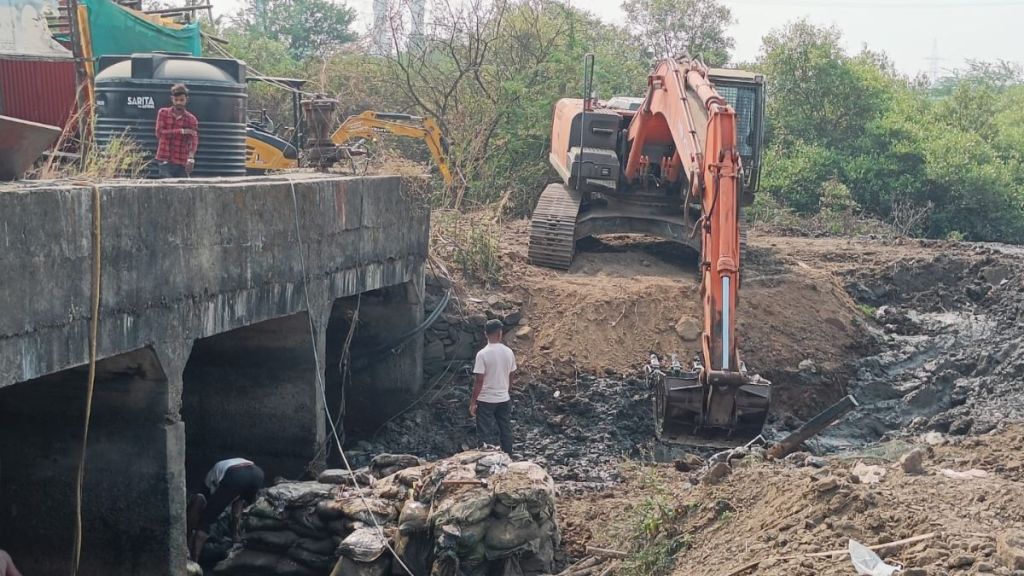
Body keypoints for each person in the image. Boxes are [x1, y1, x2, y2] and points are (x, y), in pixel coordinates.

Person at [188, 458, 263, 561]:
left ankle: (194, 559)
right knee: (245, 507)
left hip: (236, 474)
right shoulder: (216, 475)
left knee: (205, 522)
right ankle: (236, 539)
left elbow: (203, 509)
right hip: (257, 473)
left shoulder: (206, 487)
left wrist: (195, 528)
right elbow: (237, 507)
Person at [470, 319, 517, 455]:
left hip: (486, 399)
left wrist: (473, 401)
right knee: (505, 428)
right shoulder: (509, 352)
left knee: (485, 431)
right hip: (503, 398)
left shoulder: (482, 354)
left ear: (486, 334)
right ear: (500, 333)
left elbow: (479, 380)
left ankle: (486, 457)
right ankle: (508, 455)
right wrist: (507, 389)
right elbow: (512, 373)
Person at [154, 83, 199, 178]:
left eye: (181, 100)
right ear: (172, 99)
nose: (178, 102)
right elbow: (159, 133)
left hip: (181, 159)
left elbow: (193, 139)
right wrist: (181, 131)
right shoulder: (163, 113)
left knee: (184, 188)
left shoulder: (191, 119)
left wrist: (191, 158)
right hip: (165, 158)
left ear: (187, 100)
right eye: (176, 100)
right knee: (166, 185)